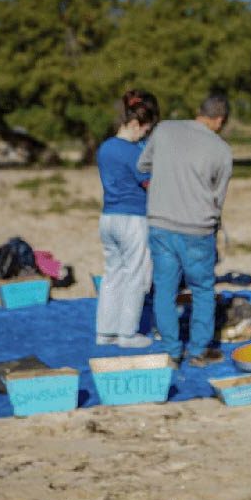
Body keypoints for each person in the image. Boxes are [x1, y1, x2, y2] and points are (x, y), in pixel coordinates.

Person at [138, 94, 232, 367]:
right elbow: (218, 196)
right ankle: (199, 351)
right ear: (220, 120)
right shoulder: (222, 149)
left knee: (165, 289)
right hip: (198, 229)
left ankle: (171, 351)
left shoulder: (164, 129)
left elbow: (142, 165)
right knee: (202, 289)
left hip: (161, 224)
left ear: (197, 111)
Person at [95, 89, 159, 348]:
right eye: (144, 130)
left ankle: (105, 331)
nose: (145, 134)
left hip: (108, 217)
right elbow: (148, 182)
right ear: (134, 124)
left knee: (112, 274)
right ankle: (127, 334)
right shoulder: (133, 152)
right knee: (135, 275)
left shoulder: (105, 148)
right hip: (133, 218)